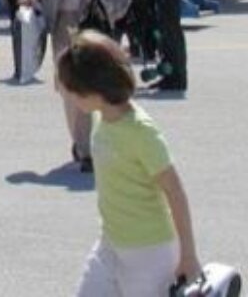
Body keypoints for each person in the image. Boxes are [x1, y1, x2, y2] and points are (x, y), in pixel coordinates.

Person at [57, 31, 201, 297]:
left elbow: (175, 192)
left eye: (72, 90)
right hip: (110, 243)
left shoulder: (141, 131)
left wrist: (188, 255)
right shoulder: (102, 117)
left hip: (150, 252)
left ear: (94, 90)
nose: (69, 97)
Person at [20, 0, 132, 171]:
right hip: (61, 21)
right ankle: (81, 145)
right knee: (68, 88)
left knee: (90, 87)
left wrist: (105, 8)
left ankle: (89, 148)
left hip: (92, 27)